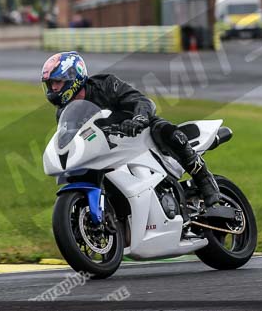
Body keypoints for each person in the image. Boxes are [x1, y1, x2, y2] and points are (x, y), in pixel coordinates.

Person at [40, 51, 221, 206]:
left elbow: (141, 100)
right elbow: (72, 139)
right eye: (50, 84)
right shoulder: (64, 111)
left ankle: (204, 180)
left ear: (74, 77)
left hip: (138, 131)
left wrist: (139, 118)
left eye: (57, 82)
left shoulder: (106, 85)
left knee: (169, 133)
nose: (53, 88)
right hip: (108, 147)